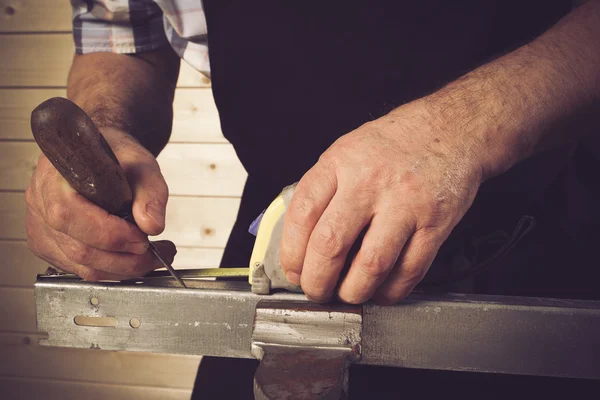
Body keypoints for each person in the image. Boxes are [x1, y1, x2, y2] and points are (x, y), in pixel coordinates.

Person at [25, 0, 600, 398]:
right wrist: (107, 125)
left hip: (541, 235)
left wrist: (462, 128)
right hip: (275, 256)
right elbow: (124, 35)